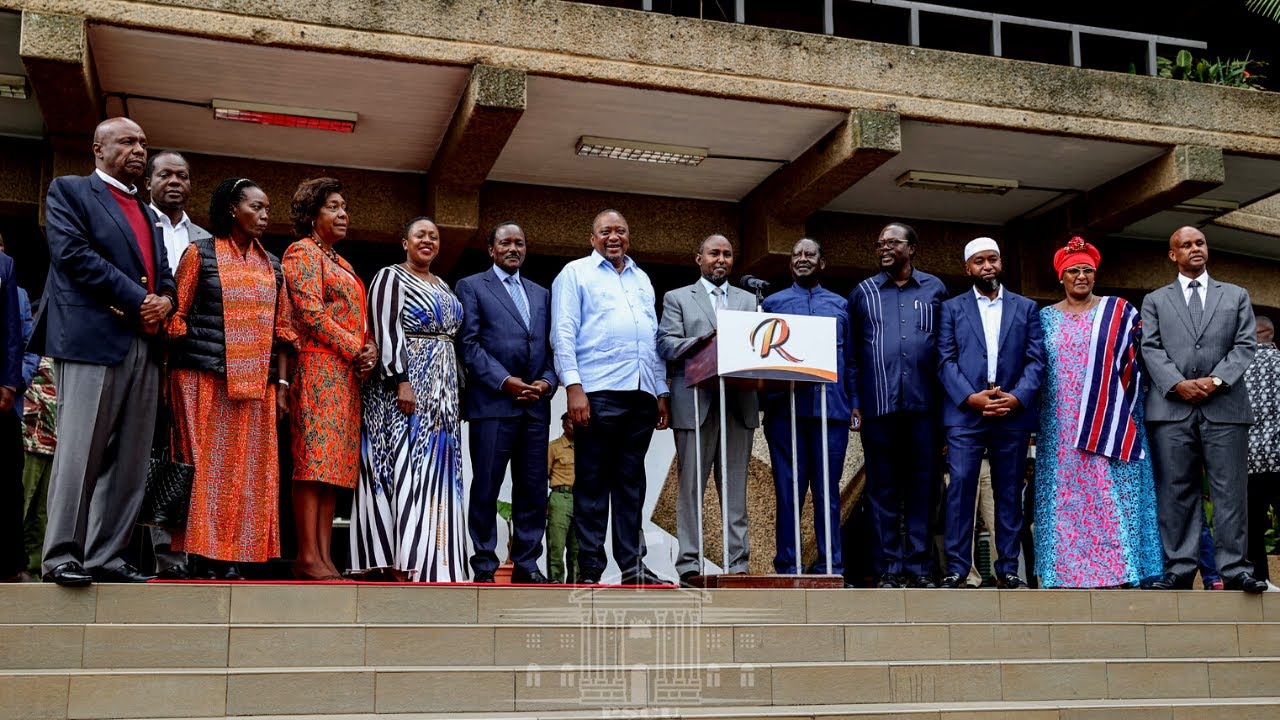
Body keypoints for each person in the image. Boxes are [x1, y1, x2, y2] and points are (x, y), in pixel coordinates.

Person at [35, 118, 176, 586]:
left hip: (144, 343)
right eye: (127, 141)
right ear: (98, 148)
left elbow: (164, 273)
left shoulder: (148, 212)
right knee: (80, 453)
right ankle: (62, 555)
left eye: (143, 143)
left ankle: (106, 555)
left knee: (131, 459)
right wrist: (140, 299)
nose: (139, 150)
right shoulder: (71, 191)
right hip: (92, 339)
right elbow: (73, 256)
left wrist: (166, 300)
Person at [166, 178, 295, 576]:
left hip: (256, 384)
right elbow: (177, 315)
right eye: (256, 207)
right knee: (205, 470)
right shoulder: (199, 254)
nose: (264, 215)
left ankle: (234, 556)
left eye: (267, 208)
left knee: (247, 471)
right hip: (202, 379)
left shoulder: (272, 265)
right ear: (231, 210)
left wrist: (282, 385)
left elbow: (283, 330)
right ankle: (202, 556)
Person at [551, 209, 671, 586]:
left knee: (631, 484)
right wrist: (573, 386)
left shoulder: (642, 278)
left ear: (629, 237)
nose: (614, 237)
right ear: (593, 238)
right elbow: (563, 332)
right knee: (592, 483)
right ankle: (590, 568)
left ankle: (633, 567)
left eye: (620, 230)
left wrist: (660, 390)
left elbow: (651, 338)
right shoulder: (575, 273)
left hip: (641, 394)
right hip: (598, 391)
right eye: (606, 231)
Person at [1141, 226, 1264, 593]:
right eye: (1186, 245)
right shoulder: (1155, 300)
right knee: (1175, 492)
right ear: (1173, 255)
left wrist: (1215, 381)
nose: (1195, 248)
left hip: (1224, 407)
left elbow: (1245, 345)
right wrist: (1177, 383)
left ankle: (1235, 570)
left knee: (1230, 493)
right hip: (1171, 409)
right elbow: (1150, 347)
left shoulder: (1236, 295)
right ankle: (1179, 570)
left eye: (1200, 242)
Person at [1035, 238, 1162, 588]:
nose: (1081, 276)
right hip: (1061, 424)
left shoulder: (1119, 310)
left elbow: (1141, 361)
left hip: (1113, 421)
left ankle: (1122, 572)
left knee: (1112, 493)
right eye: (1073, 270)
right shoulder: (1044, 318)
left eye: (1087, 270)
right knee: (1067, 498)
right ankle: (1064, 573)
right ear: (1061, 276)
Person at [353, 217, 467, 581]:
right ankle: (403, 561)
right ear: (405, 242)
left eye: (434, 236)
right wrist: (402, 381)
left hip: (442, 394)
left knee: (438, 472)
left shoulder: (443, 284)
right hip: (406, 388)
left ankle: (437, 562)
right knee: (407, 467)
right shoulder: (390, 277)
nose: (428, 240)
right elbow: (385, 330)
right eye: (420, 235)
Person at [282, 177, 376, 581]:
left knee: (333, 469)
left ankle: (324, 557)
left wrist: (370, 350)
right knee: (312, 463)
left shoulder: (341, 262)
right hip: (317, 369)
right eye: (333, 207)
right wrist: (356, 348)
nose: (343, 214)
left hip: (345, 375)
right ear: (311, 214)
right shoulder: (301, 252)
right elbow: (310, 314)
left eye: (344, 207)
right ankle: (306, 555)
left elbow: (358, 319)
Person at [937, 238, 1043, 589]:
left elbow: (1036, 360)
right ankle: (957, 569)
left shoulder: (1026, 308)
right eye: (979, 261)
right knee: (961, 488)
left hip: (1012, 413)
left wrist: (1017, 397)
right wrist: (971, 397)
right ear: (968, 268)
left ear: (1001, 263)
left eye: (993, 259)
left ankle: (1008, 569)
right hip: (966, 414)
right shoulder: (951, 309)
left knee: (1009, 492)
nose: (987, 266)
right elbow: (945, 361)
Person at [847, 222, 948, 588]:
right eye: (880, 244)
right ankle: (888, 568)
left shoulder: (935, 289)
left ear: (912, 248)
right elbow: (852, 356)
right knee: (882, 490)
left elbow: (945, 351)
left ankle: (920, 567)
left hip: (925, 409)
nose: (884, 248)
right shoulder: (862, 293)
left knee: (924, 489)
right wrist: (855, 402)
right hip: (878, 408)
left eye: (892, 242)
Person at [456, 221, 557, 584]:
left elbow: (552, 347)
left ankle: (527, 563)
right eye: (505, 243)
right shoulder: (471, 286)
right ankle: (484, 562)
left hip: (535, 406)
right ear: (491, 249)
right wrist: (506, 381)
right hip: (493, 404)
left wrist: (547, 382)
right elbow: (469, 345)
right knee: (487, 485)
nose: (513, 248)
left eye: (519, 243)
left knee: (532, 489)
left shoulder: (542, 293)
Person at [657, 234, 758, 585]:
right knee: (690, 489)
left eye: (727, 254)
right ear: (699, 258)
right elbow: (666, 343)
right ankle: (689, 564)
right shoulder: (677, 298)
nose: (721, 259)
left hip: (739, 404)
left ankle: (738, 564)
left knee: (735, 489)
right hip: (695, 402)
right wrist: (705, 343)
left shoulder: (750, 300)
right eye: (714, 253)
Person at [761, 238, 854, 581]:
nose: (802, 258)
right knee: (789, 490)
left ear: (822, 263)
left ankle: (830, 567)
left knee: (828, 492)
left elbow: (852, 360)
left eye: (809, 254)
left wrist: (856, 404)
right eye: (796, 254)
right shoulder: (772, 303)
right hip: (785, 411)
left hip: (832, 410)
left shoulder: (841, 305)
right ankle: (789, 567)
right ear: (790, 263)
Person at [145, 149, 212, 579]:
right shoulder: (134, 225)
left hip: (187, 363)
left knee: (182, 454)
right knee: (135, 452)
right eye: (166, 174)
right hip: (138, 350)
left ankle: (180, 554)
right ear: (148, 182)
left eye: (182, 176)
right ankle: (120, 553)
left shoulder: (204, 239)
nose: (175, 182)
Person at [1244, 315, 1280, 585]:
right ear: (1271, 334)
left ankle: (1260, 578)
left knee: (1252, 523)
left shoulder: (1237, 368)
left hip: (1249, 460)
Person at [0, 244, 25, 582]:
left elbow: (11, 329)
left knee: (8, 480)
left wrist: (9, 382)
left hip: (1, 397)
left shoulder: (4, 265)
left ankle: (11, 565)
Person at [546, 413, 579, 583]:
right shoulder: (554, 447)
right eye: (571, 423)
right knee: (556, 545)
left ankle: (575, 585)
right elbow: (542, 476)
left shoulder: (586, 447)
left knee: (577, 549)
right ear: (564, 425)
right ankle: (555, 582)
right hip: (560, 498)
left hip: (580, 500)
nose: (574, 426)